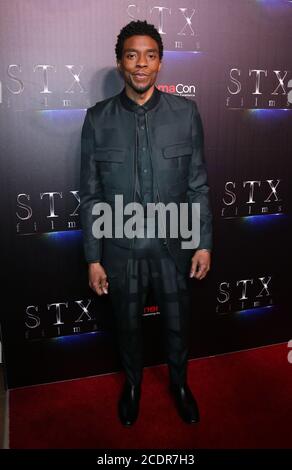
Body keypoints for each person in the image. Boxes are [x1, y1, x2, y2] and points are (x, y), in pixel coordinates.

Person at [80, 20, 213, 426]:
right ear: (121, 62)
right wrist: (93, 258)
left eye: (150, 56)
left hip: (175, 247)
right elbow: (90, 195)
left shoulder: (186, 113)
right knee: (128, 326)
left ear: (160, 62)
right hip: (121, 251)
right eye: (132, 55)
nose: (141, 64)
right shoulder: (97, 119)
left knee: (177, 325)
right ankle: (133, 385)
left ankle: (179, 383)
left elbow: (198, 185)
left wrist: (203, 243)